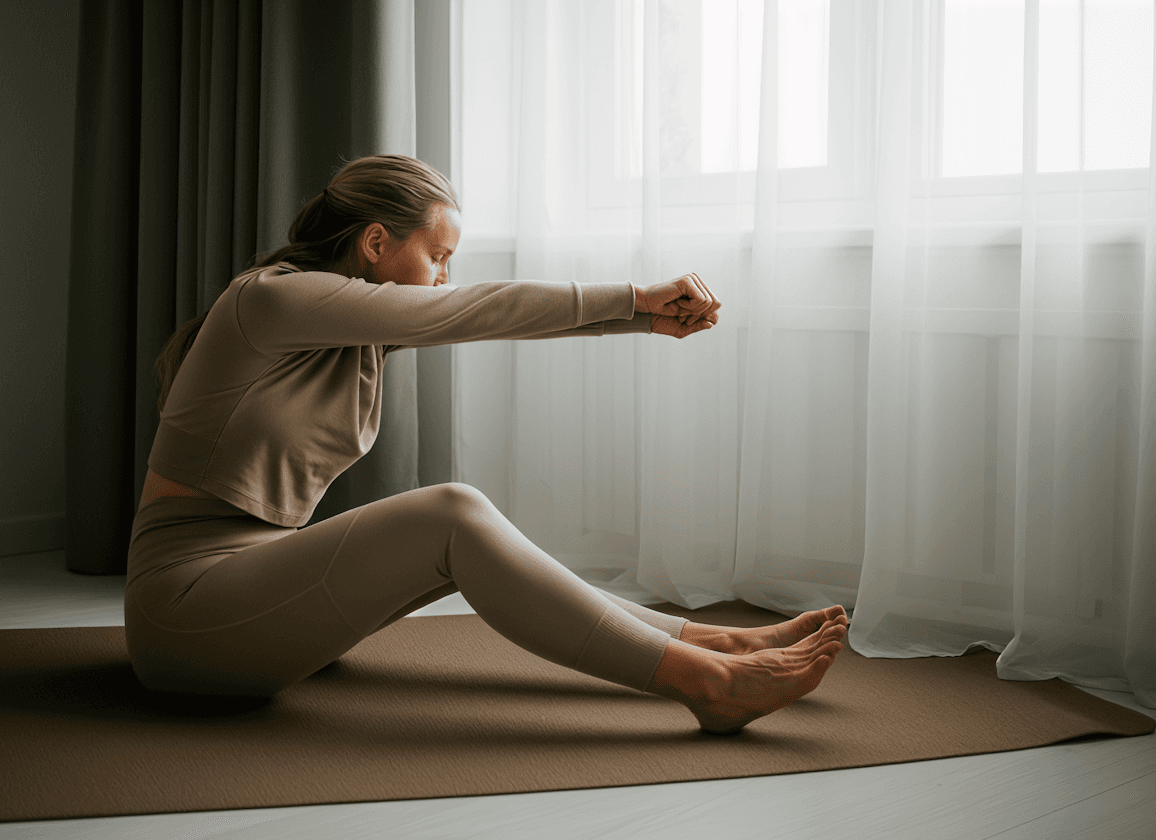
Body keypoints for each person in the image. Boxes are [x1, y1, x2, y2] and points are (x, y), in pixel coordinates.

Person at [126, 154, 847, 735]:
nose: (446, 278)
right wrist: (633, 296)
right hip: (189, 615)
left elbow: (484, 316)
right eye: (438, 257)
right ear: (377, 243)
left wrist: (644, 319)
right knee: (452, 512)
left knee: (462, 539)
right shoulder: (271, 298)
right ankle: (708, 683)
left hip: (253, 591)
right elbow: (475, 311)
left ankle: (712, 642)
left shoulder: (352, 331)